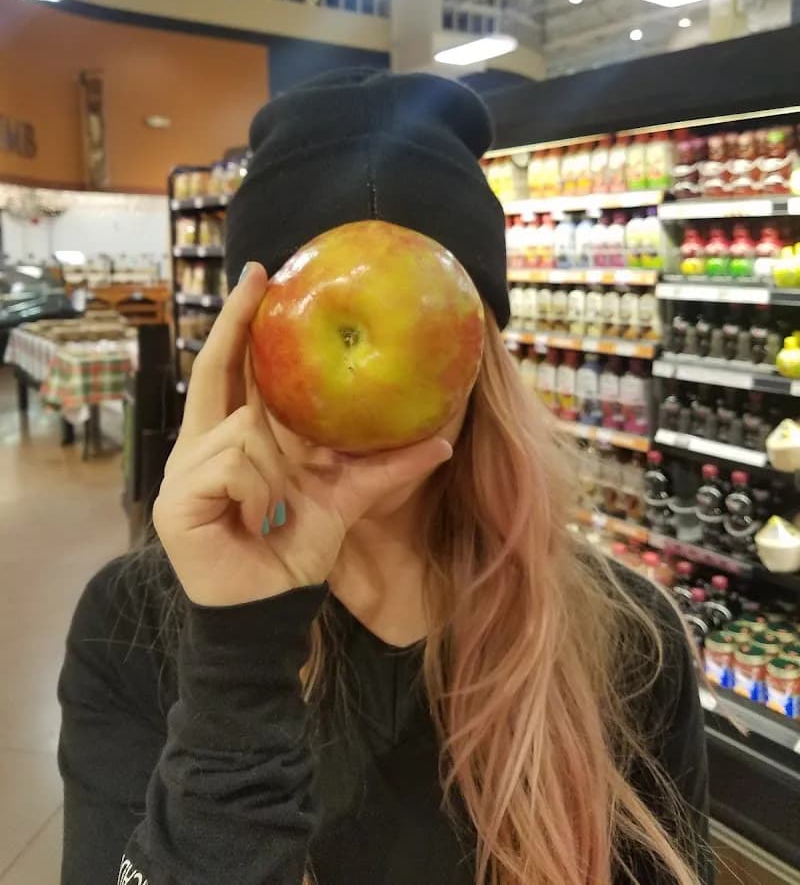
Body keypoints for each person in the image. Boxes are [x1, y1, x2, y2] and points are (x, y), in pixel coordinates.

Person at [58, 69, 711, 885]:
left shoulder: (628, 640)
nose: (362, 383)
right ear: (244, 342)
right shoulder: (134, 625)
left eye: (421, 325)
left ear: (479, 350)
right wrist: (239, 656)